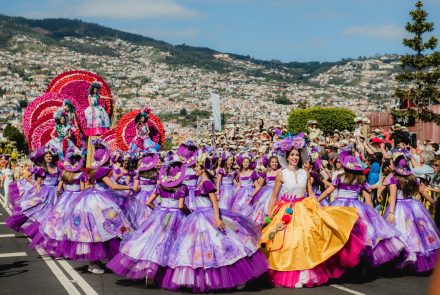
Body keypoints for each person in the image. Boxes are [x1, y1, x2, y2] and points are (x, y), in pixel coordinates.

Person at [260, 134, 365, 288]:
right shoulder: (281, 174)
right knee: (289, 242)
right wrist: (270, 213)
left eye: (297, 155)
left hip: (304, 208)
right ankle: (291, 274)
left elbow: (311, 194)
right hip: (285, 210)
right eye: (292, 155)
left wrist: (321, 210)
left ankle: (304, 275)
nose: (295, 157)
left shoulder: (305, 173)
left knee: (306, 241)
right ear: (287, 157)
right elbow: (274, 196)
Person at [161, 153, 267, 292]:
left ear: (203, 169)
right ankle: (205, 278)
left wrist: (217, 218)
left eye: (197, 168)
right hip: (198, 216)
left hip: (208, 216)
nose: (195, 170)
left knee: (222, 244)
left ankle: (236, 277)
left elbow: (214, 202)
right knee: (201, 247)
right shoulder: (200, 182)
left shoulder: (206, 183)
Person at [107, 152, 189, 285]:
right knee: (174, 242)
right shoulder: (182, 188)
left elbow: (147, 203)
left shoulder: (160, 186)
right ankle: (170, 271)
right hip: (176, 216)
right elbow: (180, 206)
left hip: (161, 213)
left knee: (155, 239)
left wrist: (157, 210)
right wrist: (188, 212)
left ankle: (151, 269)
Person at [319, 149, 407, 267]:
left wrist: (317, 200)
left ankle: (338, 259)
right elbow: (368, 199)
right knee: (357, 236)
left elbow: (328, 191)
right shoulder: (361, 179)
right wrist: (372, 214)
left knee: (338, 234)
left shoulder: (340, 177)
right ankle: (355, 260)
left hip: (339, 207)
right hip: (356, 207)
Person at [60, 139, 135, 274]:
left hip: (94, 199)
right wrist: (131, 187)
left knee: (97, 231)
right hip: (100, 202)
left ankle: (96, 261)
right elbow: (112, 186)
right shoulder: (103, 171)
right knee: (103, 229)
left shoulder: (96, 170)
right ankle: (94, 263)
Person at [383, 154, 440, 272]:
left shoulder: (394, 178)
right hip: (413, 206)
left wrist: (392, 212)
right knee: (415, 233)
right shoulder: (413, 177)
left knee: (402, 233)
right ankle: (412, 260)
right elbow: (423, 192)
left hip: (399, 207)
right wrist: (433, 201)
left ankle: (402, 260)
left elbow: (393, 195)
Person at [31, 147, 86, 256]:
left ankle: (54, 243)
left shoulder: (62, 172)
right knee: (72, 221)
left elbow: (58, 188)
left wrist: (60, 197)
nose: (49, 157)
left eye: (50, 156)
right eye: (46, 156)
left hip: (63, 197)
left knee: (58, 220)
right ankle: (69, 246)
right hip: (57, 194)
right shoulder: (80, 175)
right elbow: (83, 189)